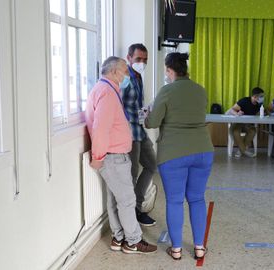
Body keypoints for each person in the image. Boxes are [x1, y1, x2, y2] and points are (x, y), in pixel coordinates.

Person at [145, 52, 214, 260]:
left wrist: (148, 113)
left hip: (173, 153)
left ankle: (176, 250)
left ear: (169, 69)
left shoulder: (167, 90)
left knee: (175, 201)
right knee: (197, 199)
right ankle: (200, 247)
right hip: (202, 151)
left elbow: (153, 123)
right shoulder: (200, 90)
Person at [85, 56, 157, 254]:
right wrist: (98, 157)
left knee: (115, 200)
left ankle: (118, 238)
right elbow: (100, 129)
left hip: (113, 155)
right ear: (115, 71)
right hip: (113, 156)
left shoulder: (104, 89)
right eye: (125, 71)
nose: (127, 75)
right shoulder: (107, 93)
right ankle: (133, 241)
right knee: (127, 201)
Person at [122, 43, 157, 226]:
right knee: (132, 174)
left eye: (145, 60)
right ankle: (131, 215)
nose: (142, 63)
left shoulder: (139, 77)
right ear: (129, 58)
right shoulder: (125, 78)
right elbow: (118, 107)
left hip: (139, 130)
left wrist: (144, 112)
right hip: (129, 133)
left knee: (152, 165)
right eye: (138, 59)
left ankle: (137, 206)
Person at [226, 87, 265, 158]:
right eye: (261, 96)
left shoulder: (259, 104)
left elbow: (259, 115)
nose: (262, 98)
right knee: (235, 131)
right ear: (255, 96)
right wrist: (237, 114)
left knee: (253, 131)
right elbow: (232, 110)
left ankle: (241, 150)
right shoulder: (244, 101)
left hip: (249, 124)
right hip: (238, 123)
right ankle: (244, 151)